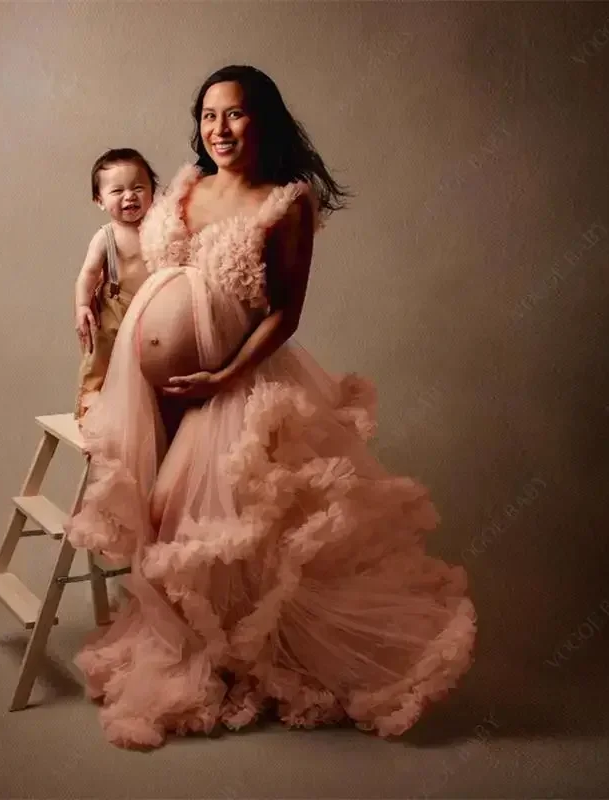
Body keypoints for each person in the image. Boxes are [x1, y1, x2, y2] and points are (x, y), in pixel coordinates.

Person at [64, 65, 477, 750]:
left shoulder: (287, 205)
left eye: (234, 115)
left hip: (231, 386)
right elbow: (138, 257)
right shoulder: (188, 184)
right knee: (164, 515)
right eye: (207, 116)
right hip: (149, 392)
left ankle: (236, 660)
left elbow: (284, 314)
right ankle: (212, 646)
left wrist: (221, 373)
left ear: (264, 120)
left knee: (209, 522)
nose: (218, 129)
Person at [73, 148, 158, 421]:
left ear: (153, 192)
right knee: (100, 359)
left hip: (151, 310)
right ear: (99, 200)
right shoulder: (106, 237)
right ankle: (91, 406)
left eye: (138, 187)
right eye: (117, 191)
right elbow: (87, 274)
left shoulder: (159, 229)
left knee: (150, 364)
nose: (129, 196)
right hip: (114, 309)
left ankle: (147, 412)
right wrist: (82, 305)